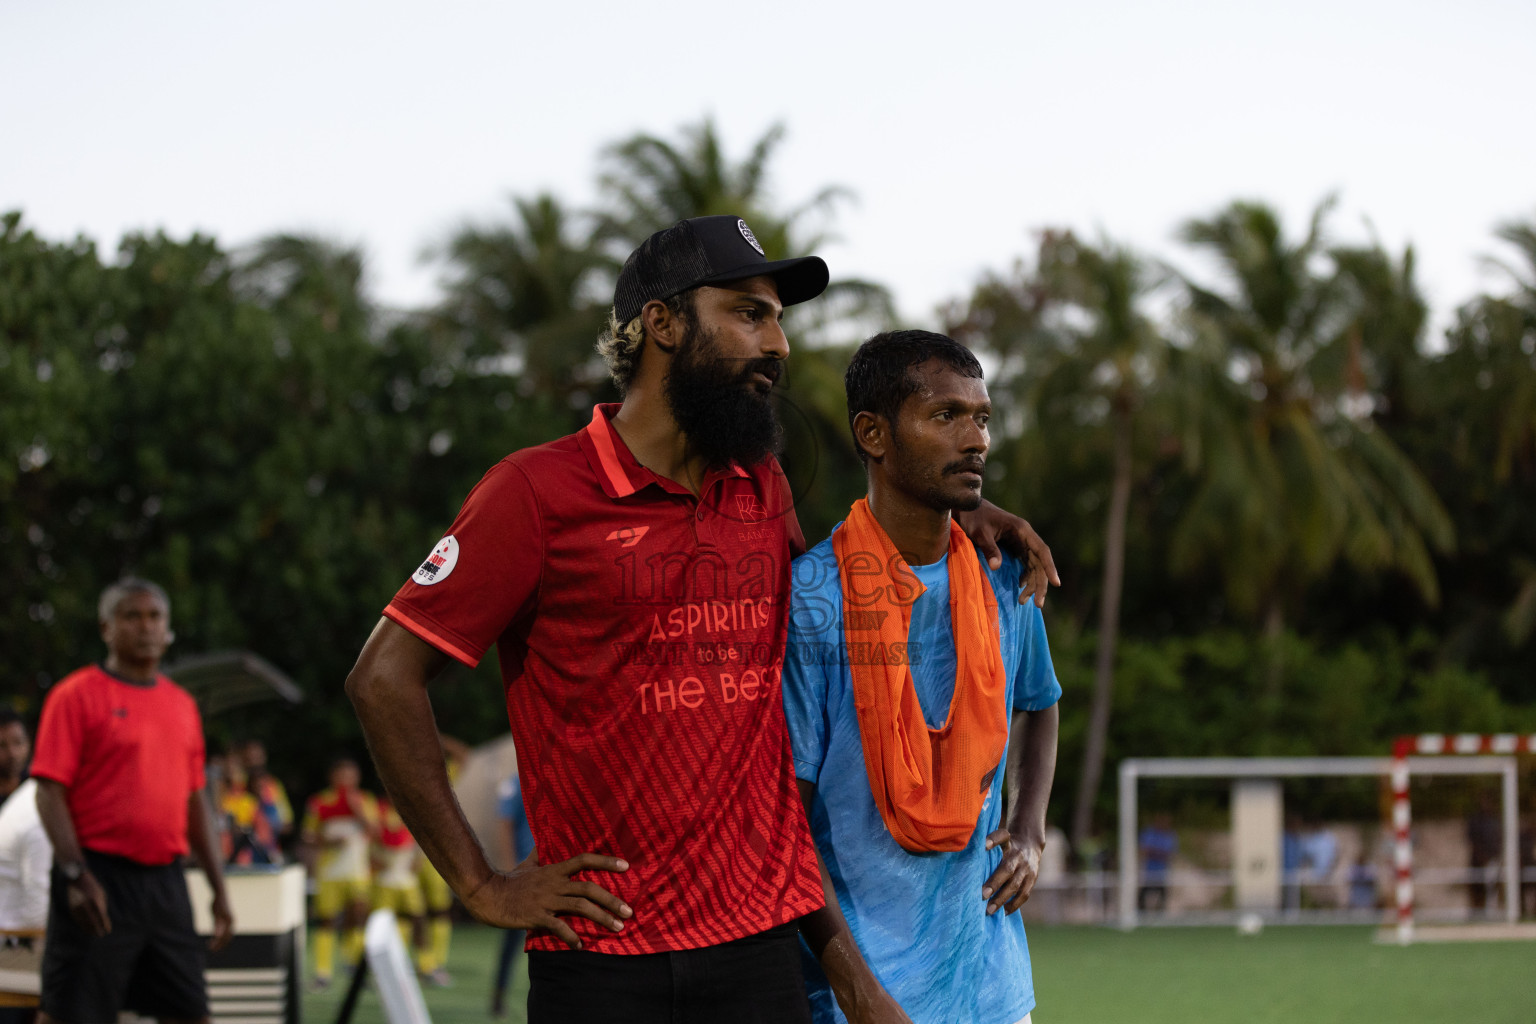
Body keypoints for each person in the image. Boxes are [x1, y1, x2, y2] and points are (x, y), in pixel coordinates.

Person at [345, 215, 1057, 1024]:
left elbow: (849, 570)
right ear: (663, 321)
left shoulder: (761, 486)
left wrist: (960, 505)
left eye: (779, 318)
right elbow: (382, 677)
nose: (779, 344)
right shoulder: (534, 492)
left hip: (759, 955)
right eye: (749, 313)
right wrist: (479, 882)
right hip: (601, 958)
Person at [784, 330, 1061, 1024]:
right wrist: (857, 991)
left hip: (995, 991)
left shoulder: (1002, 577)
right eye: (946, 417)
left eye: (983, 418)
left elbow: (1040, 702)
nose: (976, 441)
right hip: (866, 1001)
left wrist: (1028, 827)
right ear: (873, 435)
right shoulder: (814, 598)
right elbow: (784, 818)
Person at [28, 578, 234, 1024]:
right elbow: (48, 791)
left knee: (191, 1012)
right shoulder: (75, 695)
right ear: (106, 627)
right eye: (131, 616)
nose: (145, 626)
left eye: (155, 616)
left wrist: (219, 889)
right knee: (71, 1014)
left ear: (168, 628)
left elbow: (194, 799)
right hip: (98, 878)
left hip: (166, 886)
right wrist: (75, 874)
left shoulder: (181, 705)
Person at [301, 758, 378, 988]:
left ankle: (353, 965)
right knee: (327, 921)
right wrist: (327, 840)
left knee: (358, 916)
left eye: (350, 774)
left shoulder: (365, 800)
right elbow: (307, 835)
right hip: (329, 872)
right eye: (341, 774)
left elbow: (375, 831)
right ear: (332, 777)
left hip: (358, 871)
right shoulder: (319, 802)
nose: (346, 779)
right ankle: (323, 972)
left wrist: (358, 812)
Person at [489, 771, 535, 1018]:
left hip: (555, 872)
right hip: (526, 874)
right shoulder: (516, 781)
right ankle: (499, 994)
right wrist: (511, 871)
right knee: (513, 941)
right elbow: (504, 824)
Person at [0, 709, 51, 934]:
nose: (12, 753)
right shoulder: (32, 810)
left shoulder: (38, 791)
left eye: (18, 743)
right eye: (2, 745)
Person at [370, 798, 428, 974]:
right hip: (386, 881)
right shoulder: (378, 813)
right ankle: (382, 967)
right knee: (383, 925)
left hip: (406, 881)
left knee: (417, 921)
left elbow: (417, 848)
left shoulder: (411, 813)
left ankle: (425, 966)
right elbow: (381, 841)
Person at [235, 739, 292, 854]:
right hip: (242, 855)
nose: (253, 762)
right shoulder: (235, 786)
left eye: (257, 757)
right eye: (249, 758)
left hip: (268, 852)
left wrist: (267, 825)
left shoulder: (273, 785)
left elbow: (287, 823)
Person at [1138, 814, 1177, 913]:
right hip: (1149, 870)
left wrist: (1154, 852)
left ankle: (1160, 914)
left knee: (1162, 893)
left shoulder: (1170, 835)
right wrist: (1159, 853)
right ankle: (1141, 914)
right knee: (1144, 893)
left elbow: (1170, 854)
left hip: (1162, 871)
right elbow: (1144, 851)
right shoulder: (1149, 833)